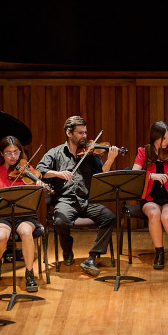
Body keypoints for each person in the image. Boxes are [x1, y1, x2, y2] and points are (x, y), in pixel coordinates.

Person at [36, 116, 118, 277]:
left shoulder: (91, 154)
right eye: (80, 133)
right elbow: (40, 171)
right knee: (60, 221)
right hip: (65, 200)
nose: (84, 136)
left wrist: (110, 159)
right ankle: (67, 251)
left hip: (87, 200)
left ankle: (92, 257)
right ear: (69, 133)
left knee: (109, 217)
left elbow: (102, 175)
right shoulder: (55, 153)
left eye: (85, 132)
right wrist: (58, 174)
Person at [0, 136, 47, 292]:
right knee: (0, 236)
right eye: (8, 153)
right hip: (1, 215)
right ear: (1, 154)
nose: (13, 156)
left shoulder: (27, 171)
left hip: (24, 214)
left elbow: (35, 195)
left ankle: (29, 273)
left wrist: (38, 185)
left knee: (26, 232)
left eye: (16, 152)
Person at [132, 121, 168, 269]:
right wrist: (152, 176)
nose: (167, 142)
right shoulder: (144, 152)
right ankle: (159, 253)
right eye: (164, 138)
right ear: (155, 137)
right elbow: (134, 175)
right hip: (150, 197)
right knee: (154, 214)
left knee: (166, 217)